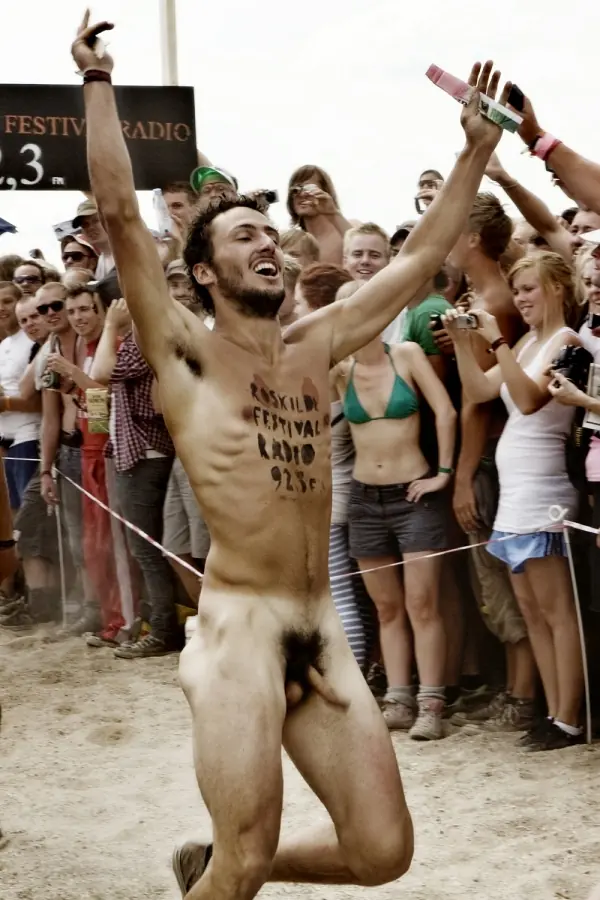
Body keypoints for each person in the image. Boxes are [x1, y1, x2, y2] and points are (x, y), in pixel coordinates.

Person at [75, 16, 505, 895]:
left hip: (321, 626)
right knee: (242, 857)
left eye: (269, 236)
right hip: (240, 629)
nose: (267, 244)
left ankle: (232, 868)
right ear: (202, 274)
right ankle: (233, 868)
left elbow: (424, 253)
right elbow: (119, 213)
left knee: (382, 853)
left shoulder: (317, 341)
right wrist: (97, 84)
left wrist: (474, 155)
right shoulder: (187, 352)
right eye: (242, 238)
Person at [443, 252, 585, 751]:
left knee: (557, 611)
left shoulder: (566, 342)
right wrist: (465, 341)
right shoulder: (525, 342)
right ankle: (551, 710)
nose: (521, 298)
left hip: (544, 492)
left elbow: (528, 400)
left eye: (530, 288)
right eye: (518, 289)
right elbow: (481, 389)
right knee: (531, 611)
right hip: (516, 494)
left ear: (557, 290)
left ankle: (569, 718)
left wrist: (497, 340)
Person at [334, 282, 456, 740]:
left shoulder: (405, 353)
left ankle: (431, 702)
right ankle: (399, 698)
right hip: (365, 497)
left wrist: (443, 472)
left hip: (414, 494)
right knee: (386, 607)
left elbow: (444, 411)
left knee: (422, 603)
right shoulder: (339, 367)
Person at [286, 165, 351, 264]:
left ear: (325, 192)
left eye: (308, 188)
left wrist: (332, 212)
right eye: (296, 190)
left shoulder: (347, 230)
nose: (302, 195)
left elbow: (363, 246)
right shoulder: (293, 242)